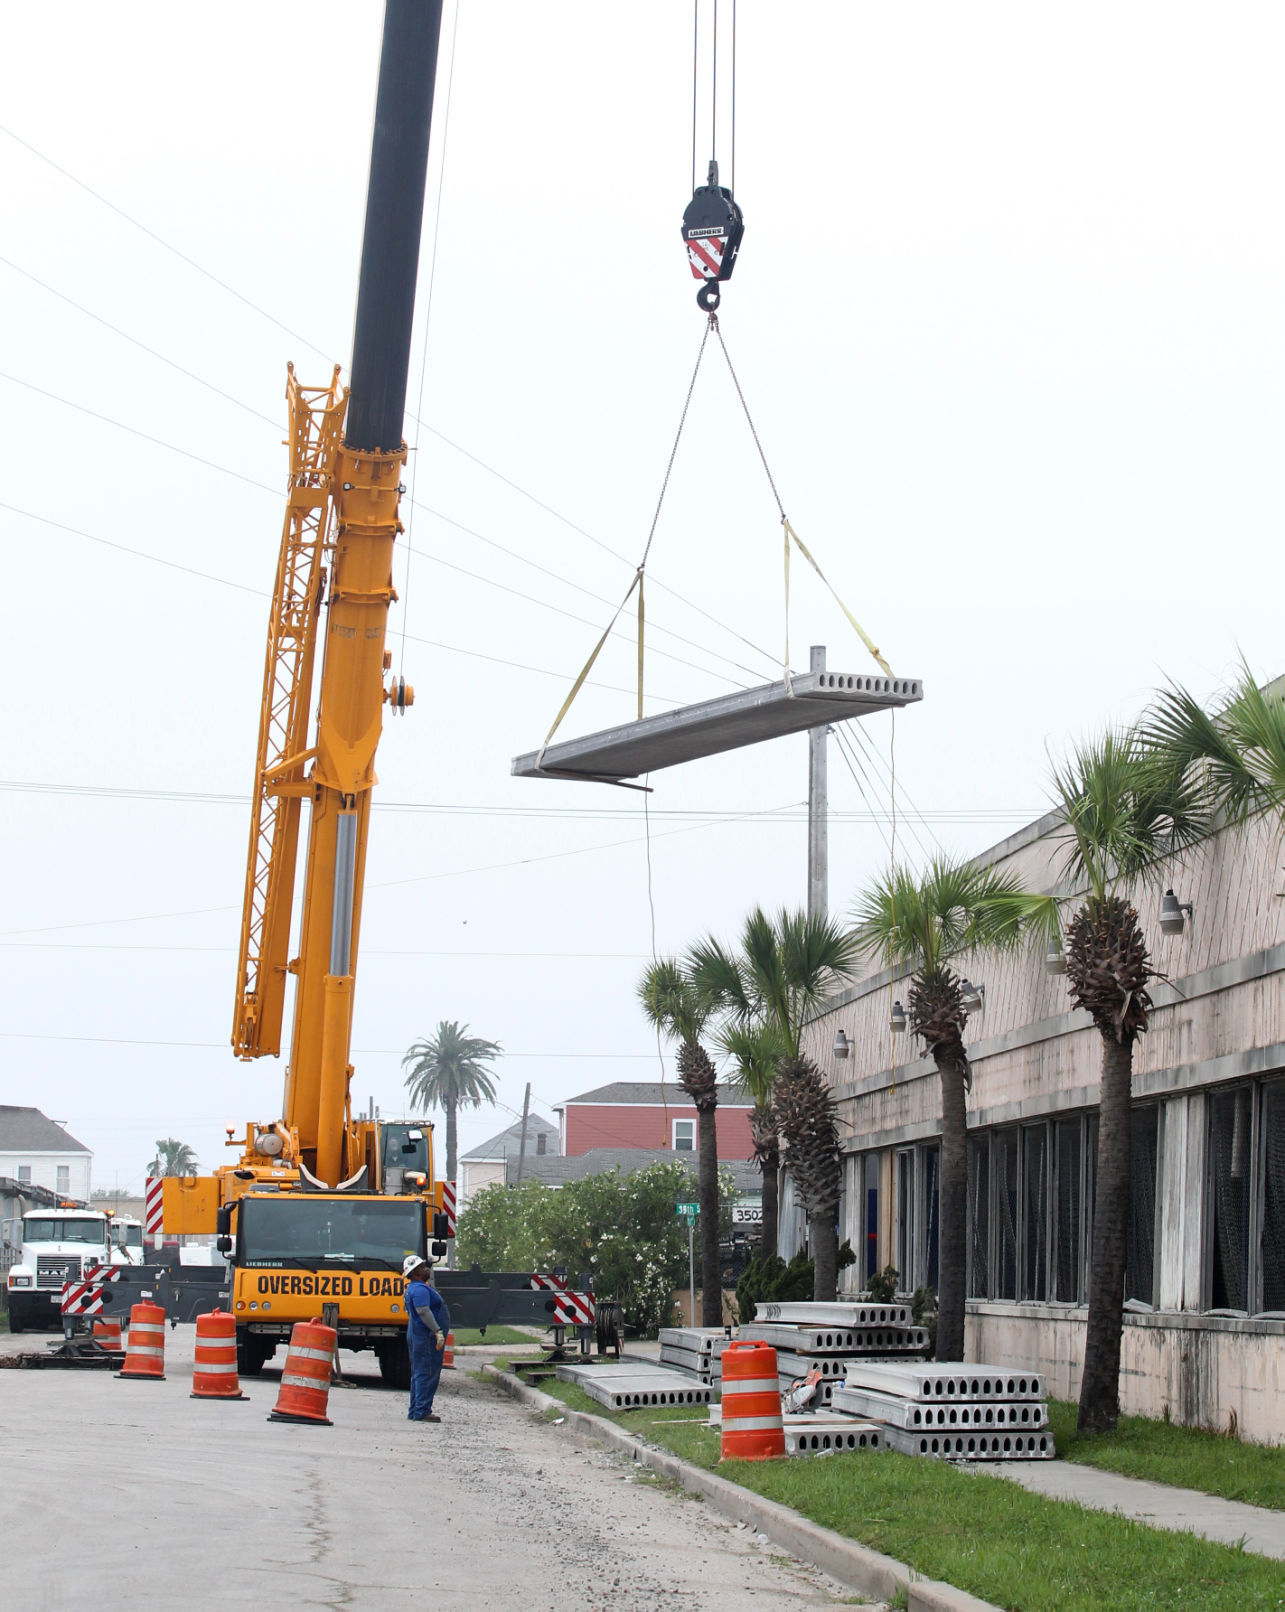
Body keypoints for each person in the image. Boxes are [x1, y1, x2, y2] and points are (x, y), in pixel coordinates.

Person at [402, 1253, 450, 1422]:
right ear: (415, 1273)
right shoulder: (420, 1290)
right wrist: (437, 1331)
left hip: (418, 1335)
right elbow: (423, 1311)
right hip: (426, 1336)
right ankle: (422, 1410)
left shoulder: (413, 1289)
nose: (426, 1269)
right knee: (426, 1372)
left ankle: (415, 1410)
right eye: (422, 1268)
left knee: (418, 1372)